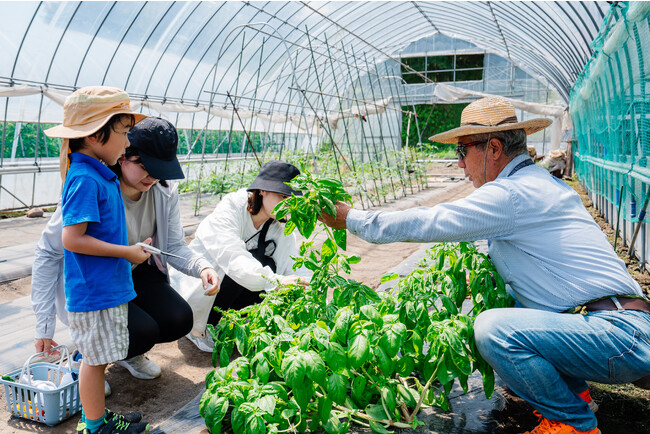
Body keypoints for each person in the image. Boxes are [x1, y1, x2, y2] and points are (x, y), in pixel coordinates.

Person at [320, 97, 650, 434]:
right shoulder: (538, 182)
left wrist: (353, 219)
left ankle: (573, 423)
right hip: (619, 326)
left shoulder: (511, 194)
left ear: (493, 148)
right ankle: (577, 396)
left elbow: (432, 220)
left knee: (494, 329)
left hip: (619, 334)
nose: (460, 164)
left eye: (462, 150)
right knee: (517, 302)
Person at [33, 114, 220, 396]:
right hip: (96, 282)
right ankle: (87, 360)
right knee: (142, 330)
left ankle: (125, 352)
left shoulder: (163, 191)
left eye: (160, 170)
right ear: (123, 155)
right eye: (145, 167)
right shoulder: (93, 185)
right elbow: (49, 252)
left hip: (133, 273)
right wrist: (44, 324)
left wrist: (202, 267)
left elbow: (174, 246)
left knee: (178, 319)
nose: (153, 177)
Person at [44, 86, 152, 434]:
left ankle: (99, 419)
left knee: (101, 358)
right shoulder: (85, 178)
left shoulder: (99, 174)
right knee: (93, 361)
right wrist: (126, 252)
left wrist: (130, 247)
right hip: (95, 292)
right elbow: (72, 239)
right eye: (122, 133)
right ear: (94, 134)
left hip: (107, 287)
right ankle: (95, 427)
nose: (126, 143)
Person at [171, 160, 310, 351]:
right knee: (245, 271)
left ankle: (234, 323)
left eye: (291, 199)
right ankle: (205, 327)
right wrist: (277, 281)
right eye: (282, 196)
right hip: (204, 287)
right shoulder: (232, 208)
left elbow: (294, 263)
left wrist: (311, 288)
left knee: (269, 266)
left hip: (235, 287)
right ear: (262, 190)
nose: (287, 204)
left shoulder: (280, 224)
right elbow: (234, 259)